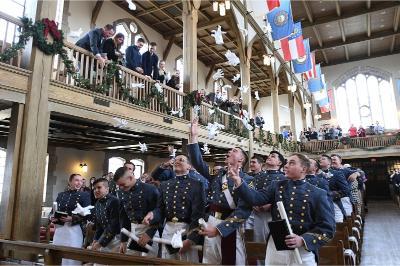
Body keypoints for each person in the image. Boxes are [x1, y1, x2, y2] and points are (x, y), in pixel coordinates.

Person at [230, 154, 335, 266]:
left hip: (303, 249)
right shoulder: (277, 186)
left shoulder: (318, 193)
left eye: (292, 163)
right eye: (286, 162)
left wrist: (303, 240)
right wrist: (239, 181)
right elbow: (256, 198)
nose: (286, 166)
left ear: (303, 169)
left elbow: (327, 228)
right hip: (276, 245)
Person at [187, 118, 252, 265]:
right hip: (211, 220)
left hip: (230, 226)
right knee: (210, 260)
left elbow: (242, 211)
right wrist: (194, 137)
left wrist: (220, 229)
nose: (229, 151)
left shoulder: (247, 180)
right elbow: (198, 162)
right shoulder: (218, 174)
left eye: (234, 151)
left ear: (241, 160)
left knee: (233, 261)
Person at [143, 154, 205, 262]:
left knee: (186, 262)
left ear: (189, 166)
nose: (177, 161)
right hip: (168, 230)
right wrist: (153, 214)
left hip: (186, 231)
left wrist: (191, 239)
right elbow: (160, 209)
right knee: (167, 262)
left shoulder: (197, 185)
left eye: (181, 160)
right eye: (175, 160)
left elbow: (198, 215)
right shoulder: (165, 185)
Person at [114, 166, 160, 257]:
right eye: (119, 185)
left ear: (131, 178)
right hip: (132, 231)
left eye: (123, 184)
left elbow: (159, 212)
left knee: (148, 262)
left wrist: (149, 234)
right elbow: (124, 217)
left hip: (149, 229)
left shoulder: (150, 189)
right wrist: (123, 240)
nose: (121, 188)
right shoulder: (121, 193)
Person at [51, 174, 91, 265]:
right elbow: (53, 210)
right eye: (77, 180)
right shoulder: (61, 195)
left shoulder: (85, 195)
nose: (79, 183)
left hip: (74, 231)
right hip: (60, 230)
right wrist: (52, 217)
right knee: (57, 255)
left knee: (72, 258)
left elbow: (88, 215)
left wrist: (72, 218)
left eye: (81, 181)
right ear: (70, 181)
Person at [250, 152, 286, 243]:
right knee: (258, 240)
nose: (269, 157)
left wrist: (270, 205)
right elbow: (252, 191)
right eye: (269, 156)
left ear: (279, 163)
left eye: (273, 156)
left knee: (274, 240)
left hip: (273, 213)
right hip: (257, 212)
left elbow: (284, 197)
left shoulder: (283, 178)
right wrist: (252, 203)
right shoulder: (259, 176)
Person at [89, 178, 120, 252]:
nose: (96, 190)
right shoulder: (97, 204)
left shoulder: (114, 201)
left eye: (99, 187)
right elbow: (99, 226)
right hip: (104, 237)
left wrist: (100, 243)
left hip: (117, 239)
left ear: (107, 189)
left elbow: (113, 226)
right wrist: (95, 240)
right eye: (94, 188)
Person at [318, 155, 349, 222]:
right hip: (320, 207)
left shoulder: (337, 174)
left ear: (329, 162)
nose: (320, 160)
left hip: (335, 205)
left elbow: (345, 191)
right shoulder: (317, 176)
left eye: (323, 159)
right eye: (319, 159)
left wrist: (329, 195)